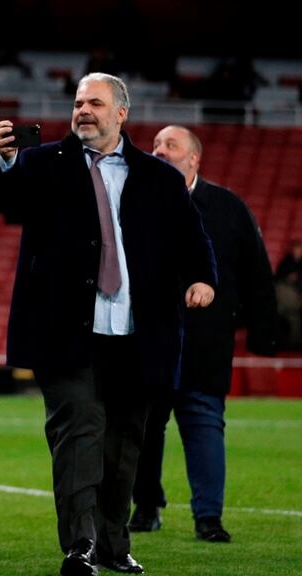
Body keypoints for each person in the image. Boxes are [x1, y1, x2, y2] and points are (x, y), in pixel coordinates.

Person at [0, 73, 217, 576]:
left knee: (123, 444)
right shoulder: (43, 164)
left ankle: (114, 545)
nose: (83, 110)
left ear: (121, 114)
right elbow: (5, 199)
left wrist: (203, 278)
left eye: (94, 102)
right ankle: (81, 546)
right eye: (77, 103)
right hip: (67, 334)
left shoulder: (160, 177)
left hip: (138, 335)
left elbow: (191, 238)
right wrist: (5, 159)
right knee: (80, 432)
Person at [128, 125, 278, 542]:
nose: (159, 151)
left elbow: (256, 273)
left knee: (205, 424)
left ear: (194, 158)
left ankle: (208, 517)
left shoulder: (228, 207)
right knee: (144, 428)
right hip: (147, 337)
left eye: (170, 145)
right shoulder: (133, 200)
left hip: (206, 341)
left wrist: (265, 332)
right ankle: (146, 506)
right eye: (155, 145)